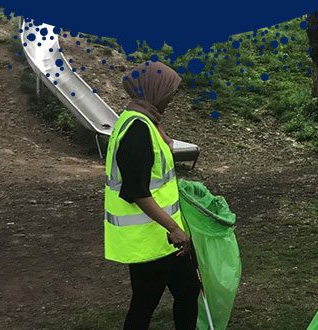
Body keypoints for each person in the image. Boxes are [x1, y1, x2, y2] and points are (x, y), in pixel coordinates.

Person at [103, 61, 199, 330]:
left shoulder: (143, 121)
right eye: (169, 91)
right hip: (150, 240)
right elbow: (136, 191)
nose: (171, 97)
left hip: (163, 237)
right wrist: (174, 228)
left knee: (188, 291)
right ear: (153, 90)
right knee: (145, 303)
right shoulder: (137, 130)